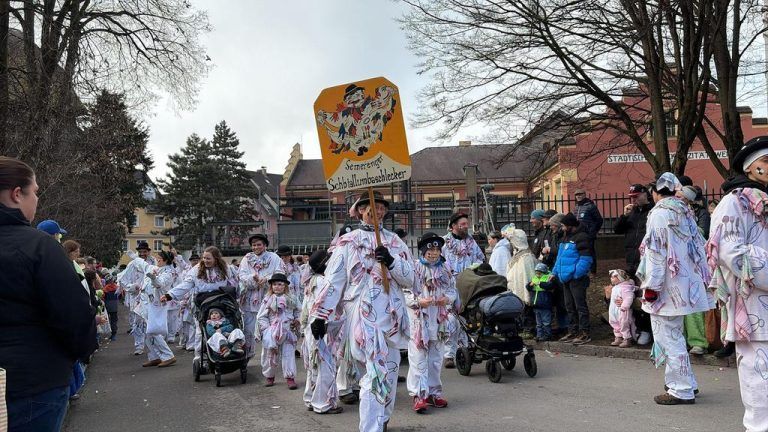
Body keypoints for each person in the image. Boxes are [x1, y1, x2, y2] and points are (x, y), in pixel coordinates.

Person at [0, 156, 97, 431]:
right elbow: (74, 316)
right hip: (32, 383)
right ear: (17, 194)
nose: (37, 200)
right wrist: (77, 354)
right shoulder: (38, 247)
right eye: (36, 192)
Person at [310, 191, 413, 432]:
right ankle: (371, 427)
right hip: (363, 319)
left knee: (390, 370)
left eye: (381, 207)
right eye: (371, 207)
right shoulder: (348, 242)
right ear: (360, 211)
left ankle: (382, 417)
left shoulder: (395, 242)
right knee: (374, 373)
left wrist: (392, 262)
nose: (376, 211)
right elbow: (334, 281)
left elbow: (411, 280)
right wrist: (320, 315)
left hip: (392, 316)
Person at [707, 136, 768, 430]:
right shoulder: (734, 203)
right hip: (753, 308)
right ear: (749, 166)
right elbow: (730, 250)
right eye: (766, 162)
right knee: (759, 379)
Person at [637, 172, 712, 405]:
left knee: (669, 337)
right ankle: (687, 382)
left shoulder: (660, 213)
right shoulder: (685, 212)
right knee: (676, 336)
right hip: (684, 284)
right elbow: (700, 247)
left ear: (655, 192)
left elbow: (656, 253)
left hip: (666, 288)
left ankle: (680, 389)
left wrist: (651, 287)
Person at [405, 232, 456, 413]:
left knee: (436, 358)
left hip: (438, 318)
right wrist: (418, 301)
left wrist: (447, 299)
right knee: (418, 357)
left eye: (436, 249)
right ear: (423, 251)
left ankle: (434, 393)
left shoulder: (445, 269)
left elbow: (452, 290)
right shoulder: (413, 268)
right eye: (430, 250)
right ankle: (419, 394)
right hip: (419, 320)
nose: (434, 253)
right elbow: (404, 294)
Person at [161, 246, 238, 362]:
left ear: (216, 259)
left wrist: (235, 295)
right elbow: (186, 285)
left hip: (221, 303)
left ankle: (230, 350)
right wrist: (169, 295)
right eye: (204, 258)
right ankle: (199, 357)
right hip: (202, 303)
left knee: (227, 325)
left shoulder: (226, 269)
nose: (205, 261)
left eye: (208, 258)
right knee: (200, 331)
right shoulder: (196, 270)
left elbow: (234, 283)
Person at [300, 249, 343, 414]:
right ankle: (323, 403)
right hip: (322, 328)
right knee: (326, 366)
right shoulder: (325, 283)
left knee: (314, 365)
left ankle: (310, 398)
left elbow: (305, 310)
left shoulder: (312, 281)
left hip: (312, 329)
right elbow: (325, 308)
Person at [441, 212, 484, 367]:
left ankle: (464, 350)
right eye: (463, 224)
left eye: (467, 223)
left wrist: (472, 268)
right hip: (449, 286)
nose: (466, 226)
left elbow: (480, 258)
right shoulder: (444, 243)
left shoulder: (471, 242)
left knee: (466, 318)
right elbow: (436, 261)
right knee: (451, 319)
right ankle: (449, 355)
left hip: (467, 284)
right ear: (453, 226)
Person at [552, 213, 593, 345]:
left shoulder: (582, 237)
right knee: (569, 306)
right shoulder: (565, 237)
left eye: (563, 226)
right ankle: (573, 330)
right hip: (565, 278)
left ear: (570, 226)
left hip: (576, 279)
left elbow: (586, 259)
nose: (562, 228)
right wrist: (555, 271)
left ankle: (584, 332)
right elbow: (560, 257)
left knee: (580, 306)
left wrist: (576, 274)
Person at [238, 234, 281, 358]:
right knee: (249, 330)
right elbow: (242, 276)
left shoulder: (274, 258)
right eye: (253, 245)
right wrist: (253, 278)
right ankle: (248, 354)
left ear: (265, 245)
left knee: (269, 328)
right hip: (250, 300)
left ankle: (270, 355)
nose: (256, 247)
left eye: (259, 244)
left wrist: (267, 280)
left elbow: (280, 273)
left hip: (268, 298)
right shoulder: (247, 259)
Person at [257, 273, 300, 389]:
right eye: (274, 284)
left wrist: (297, 320)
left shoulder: (292, 299)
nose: (277, 287)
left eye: (280, 284)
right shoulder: (268, 300)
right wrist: (267, 330)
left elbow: (298, 311)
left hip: (287, 330)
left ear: (285, 286)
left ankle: (290, 378)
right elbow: (261, 316)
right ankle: (269, 376)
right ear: (271, 286)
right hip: (272, 332)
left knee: (288, 354)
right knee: (269, 354)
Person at [117, 241, 156, 356]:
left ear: (148, 252)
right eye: (140, 252)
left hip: (151, 297)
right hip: (137, 297)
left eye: (145, 252)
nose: (143, 254)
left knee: (151, 322)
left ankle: (152, 346)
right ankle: (139, 346)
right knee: (138, 322)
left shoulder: (154, 262)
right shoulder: (133, 264)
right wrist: (133, 287)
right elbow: (123, 280)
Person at [574, 189, 603, 273]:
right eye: (577, 195)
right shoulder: (576, 207)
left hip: (588, 234)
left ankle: (593, 271)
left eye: (580, 194)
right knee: (580, 252)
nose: (578, 196)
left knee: (590, 252)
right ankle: (583, 270)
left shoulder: (591, 206)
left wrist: (593, 231)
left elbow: (599, 220)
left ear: (584, 195)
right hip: (578, 234)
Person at [606, 269, 637, 348]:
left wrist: (624, 306)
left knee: (624, 323)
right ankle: (618, 336)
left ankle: (627, 338)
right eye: (611, 277)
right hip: (614, 309)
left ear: (619, 278)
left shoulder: (625, 287)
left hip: (623, 310)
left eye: (613, 277)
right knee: (614, 322)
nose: (611, 279)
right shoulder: (615, 287)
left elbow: (628, 298)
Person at [527, 263, 556, 341]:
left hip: (545, 304)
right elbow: (528, 287)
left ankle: (547, 335)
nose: (537, 274)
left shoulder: (548, 278)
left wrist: (540, 283)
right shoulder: (534, 278)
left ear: (544, 272)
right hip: (536, 304)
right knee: (538, 323)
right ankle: (539, 335)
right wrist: (530, 285)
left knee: (546, 322)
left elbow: (549, 286)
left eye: (539, 273)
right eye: (536, 272)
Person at [103, 274, 120, 341]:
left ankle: (112, 333)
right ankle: (114, 334)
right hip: (114, 305)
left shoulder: (105, 288)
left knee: (109, 320)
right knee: (114, 320)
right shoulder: (116, 287)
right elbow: (120, 295)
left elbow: (103, 296)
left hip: (107, 305)